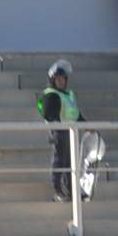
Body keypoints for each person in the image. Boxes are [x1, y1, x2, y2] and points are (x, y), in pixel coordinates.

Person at [36, 60, 79, 199]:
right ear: (53, 80)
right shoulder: (50, 94)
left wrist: (87, 125)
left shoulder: (68, 95)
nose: (61, 82)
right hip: (58, 132)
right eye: (58, 79)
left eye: (63, 79)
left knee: (70, 162)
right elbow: (48, 113)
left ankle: (71, 191)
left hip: (70, 132)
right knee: (60, 161)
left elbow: (75, 114)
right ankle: (58, 190)